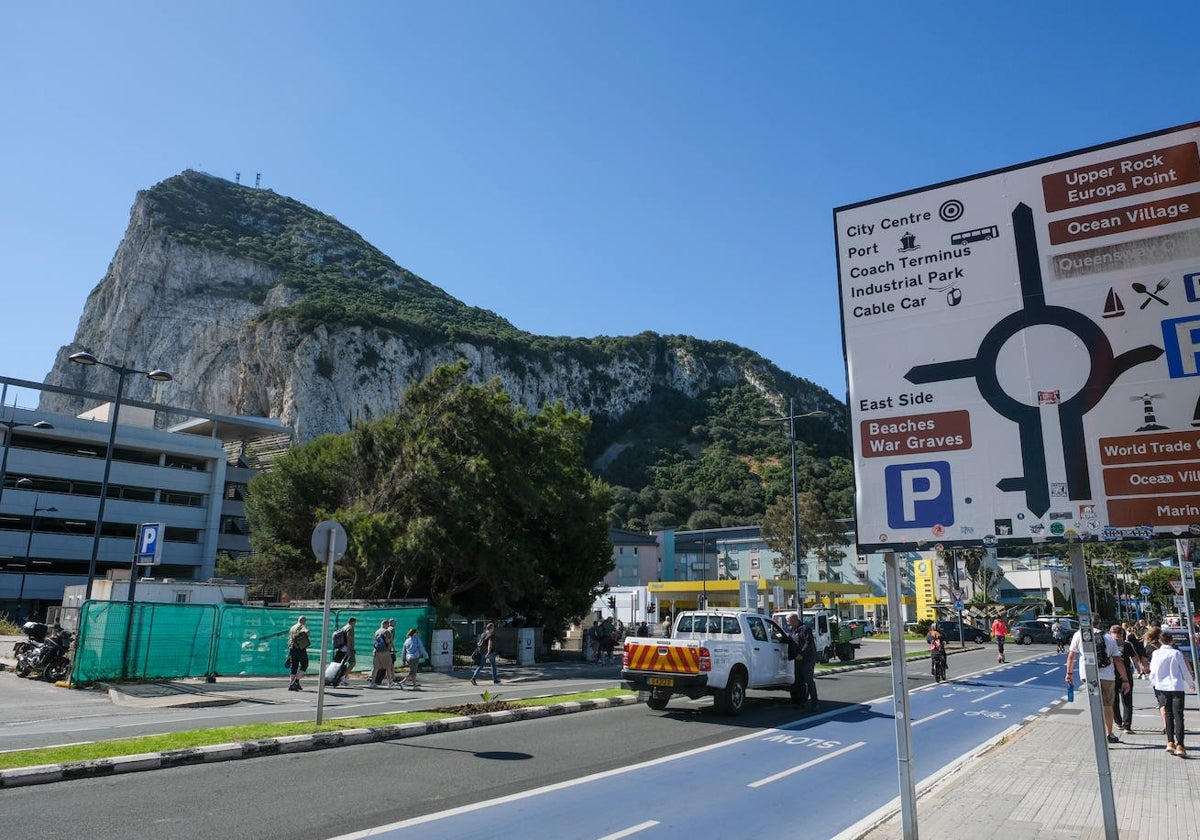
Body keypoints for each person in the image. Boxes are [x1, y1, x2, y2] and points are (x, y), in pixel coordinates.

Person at [1066, 624, 1131, 744]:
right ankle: (1109, 733)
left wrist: (1069, 673)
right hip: (1107, 677)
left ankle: (1097, 734)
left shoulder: (1078, 635)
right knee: (1107, 706)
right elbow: (1117, 660)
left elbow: (1071, 656)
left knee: (1095, 705)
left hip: (1089, 676)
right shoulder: (1109, 637)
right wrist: (1125, 679)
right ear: (1099, 624)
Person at [1150, 630, 1195, 758]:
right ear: (1172, 641)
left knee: (1168, 714)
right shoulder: (1176, 653)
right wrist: (1191, 683)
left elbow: (1153, 670)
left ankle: (1170, 742)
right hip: (1176, 686)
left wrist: (1153, 682)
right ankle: (1180, 745)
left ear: (1159, 641)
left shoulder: (1156, 653)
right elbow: (1184, 670)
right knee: (1179, 715)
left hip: (1162, 687)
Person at [785, 612, 819, 711]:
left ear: (794, 620)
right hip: (797, 660)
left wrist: (802, 654)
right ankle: (801, 702)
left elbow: (809, 643)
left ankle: (815, 703)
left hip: (807, 659)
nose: (788, 624)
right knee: (799, 681)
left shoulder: (805, 629)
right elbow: (790, 641)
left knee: (809, 681)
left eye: (789, 622)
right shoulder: (792, 630)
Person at [1111, 625, 1136, 733]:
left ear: (1111, 633)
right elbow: (1135, 659)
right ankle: (1127, 725)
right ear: (1122, 634)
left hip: (1111, 675)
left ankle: (1118, 722)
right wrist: (1139, 669)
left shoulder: (1109, 644)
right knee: (1127, 701)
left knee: (1114, 700)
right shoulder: (1127, 645)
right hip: (1126, 675)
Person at [368, 619, 394, 689]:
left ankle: (372, 683)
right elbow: (388, 641)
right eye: (388, 625)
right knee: (388, 666)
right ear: (386, 624)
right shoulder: (386, 631)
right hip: (384, 651)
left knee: (376, 667)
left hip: (376, 651)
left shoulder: (377, 631)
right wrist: (390, 647)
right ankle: (390, 682)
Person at [286, 616, 310, 692]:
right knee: (305, 664)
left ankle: (291, 683)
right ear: (304, 621)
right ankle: (295, 681)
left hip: (292, 648)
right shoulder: (301, 626)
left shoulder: (292, 627)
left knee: (294, 666)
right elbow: (307, 632)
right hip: (300, 648)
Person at [334, 617, 356, 687]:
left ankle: (343, 678)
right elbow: (349, 638)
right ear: (353, 622)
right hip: (347, 648)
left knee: (343, 664)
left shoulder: (344, 627)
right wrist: (349, 649)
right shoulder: (350, 628)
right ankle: (343, 677)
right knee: (352, 663)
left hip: (342, 648)